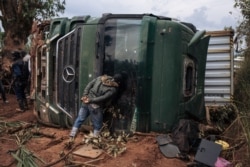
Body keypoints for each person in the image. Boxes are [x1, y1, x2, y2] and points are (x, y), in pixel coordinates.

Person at [69, 73, 123, 140]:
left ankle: (72, 135)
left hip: (86, 101)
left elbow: (89, 85)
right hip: (95, 105)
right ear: (119, 82)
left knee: (80, 118)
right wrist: (91, 100)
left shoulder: (101, 78)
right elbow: (103, 98)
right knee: (98, 125)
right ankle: (95, 140)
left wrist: (85, 95)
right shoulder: (113, 89)